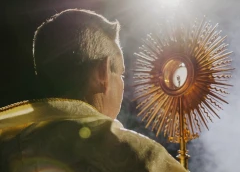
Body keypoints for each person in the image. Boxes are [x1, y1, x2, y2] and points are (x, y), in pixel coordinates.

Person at [0, 9, 187, 172]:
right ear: (103, 72)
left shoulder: (7, 147)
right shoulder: (139, 156)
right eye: (121, 74)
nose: (122, 84)